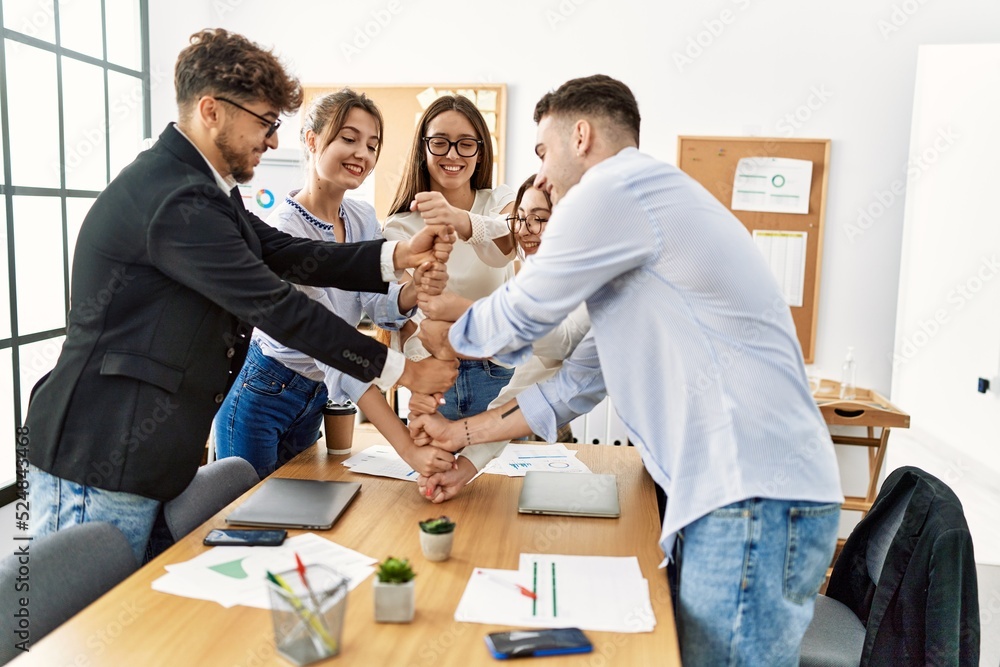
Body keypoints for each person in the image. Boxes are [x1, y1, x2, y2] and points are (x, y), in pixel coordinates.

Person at [414, 75, 843, 666]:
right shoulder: (645, 216)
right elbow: (576, 384)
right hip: (742, 493)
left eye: (544, 151)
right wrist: (463, 441)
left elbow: (520, 313)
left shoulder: (613, 190)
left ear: (581, 135)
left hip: (752, 494)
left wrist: (445, 332)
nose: (539, 176)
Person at [22, 29, 457, 564]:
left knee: (148, 614)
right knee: (81, 631)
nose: (274, 141)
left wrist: (395, 256)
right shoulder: (175, 197)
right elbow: (275, 302)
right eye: (265, 122)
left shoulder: (205, 187)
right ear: (212, 110)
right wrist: (401, 371)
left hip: (151, 452)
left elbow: (283, 251)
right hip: (102, 450)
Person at [214, 89, 455, 479]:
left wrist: (415, 288)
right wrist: (407, 448)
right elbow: (328, 347)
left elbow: (378, 305)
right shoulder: (284, 227)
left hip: (315, 397)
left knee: (301, 510)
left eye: (372, 144)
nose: (363, 153)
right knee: (249, 520)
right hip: (264, 393)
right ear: (311, 140)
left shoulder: (360, 216)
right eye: (349, 138)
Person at [410, 175, 589, 492]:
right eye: (520, 218)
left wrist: (466, 314)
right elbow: (523, 390)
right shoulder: (537, 287)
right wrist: (463, 469)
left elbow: (567, 338)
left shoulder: (591, 275)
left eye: (539, 219)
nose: (524, 230)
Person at [382, 95, 516, 421]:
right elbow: (411, 315)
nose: (453, 154)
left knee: (498, 470)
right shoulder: (399, 227)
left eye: (466, 144)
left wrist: (457, 218)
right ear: (423, 149)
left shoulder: (502, 201)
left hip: (498, 373)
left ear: (481, 152)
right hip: (435, 374)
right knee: (434, 468)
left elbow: (508, 245)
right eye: (440, 143)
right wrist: (426, 364)